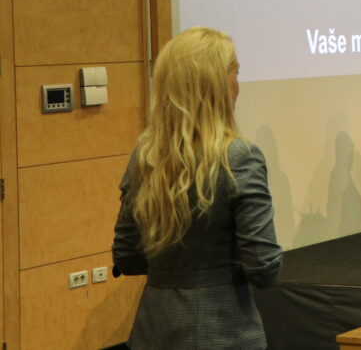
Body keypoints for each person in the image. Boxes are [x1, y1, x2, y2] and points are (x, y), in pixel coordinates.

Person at [113, 27, 283, 349]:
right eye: (235, 73)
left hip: (153, 330)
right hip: (223, 330)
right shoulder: (240, 157)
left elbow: (127, 257)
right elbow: (263, 267)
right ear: (216, 84)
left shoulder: (144, 155)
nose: (238, 85)